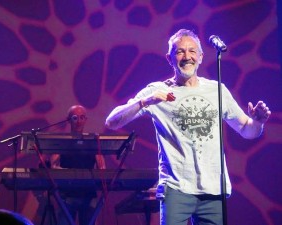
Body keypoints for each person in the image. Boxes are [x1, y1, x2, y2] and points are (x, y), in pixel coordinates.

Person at [105, 29, 271, 225]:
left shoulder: (216, 90)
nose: (187, 57)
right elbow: (112, 121)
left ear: (201, 57)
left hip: (213, 191)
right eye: (180, 51)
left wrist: (258, 122)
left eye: (192, 51)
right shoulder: (157, 91)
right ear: (169, 58)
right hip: (177, 189)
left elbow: (246, 129)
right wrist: (144, 102)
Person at [50, 105, 106, 225]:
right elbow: (53, 167)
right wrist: (70, 175)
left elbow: (102, 168)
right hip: (67, 195)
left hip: (89, 195)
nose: (79, 121)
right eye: (75, 118)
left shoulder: (92, 142)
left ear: (85, 119)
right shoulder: (62, 141)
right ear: (69, 120)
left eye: (82, 117)